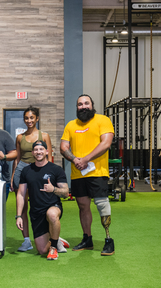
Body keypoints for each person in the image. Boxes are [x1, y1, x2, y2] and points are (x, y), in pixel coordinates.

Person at [60, 94, 115, 256]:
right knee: (83, 207)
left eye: (86, 103)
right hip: (78, 174)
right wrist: (75, 159)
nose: (83, 106)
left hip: (97, 172)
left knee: (101, 204)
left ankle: (108, 240)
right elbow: (64, 147)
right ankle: (87, 239)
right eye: (80, 104)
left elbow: (106, 143)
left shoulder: (102, 120)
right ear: (76, 107)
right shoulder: (71, 125)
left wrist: (86, 159)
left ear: (92, 105)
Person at [16, 141, 69, 261]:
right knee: (42, 251)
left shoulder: (56, 169)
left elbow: (66, 192)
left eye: (41, 149)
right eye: (36, 150)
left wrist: (53, 189)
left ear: (46, 152)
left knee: (52, 214)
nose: (38, 152)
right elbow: (20, 194)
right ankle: (56, 239)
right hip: (36, 212)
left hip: (53, 206)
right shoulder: (26, 171)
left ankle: (54, 247)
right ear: (32, 153)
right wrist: (18, 215)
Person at [11, 106, 53, 252]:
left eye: (32, 118)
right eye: (26, 118)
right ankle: (26, 240)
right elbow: (16, 159)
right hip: (22, 170)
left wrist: (50, 177)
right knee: (22, 206)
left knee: (41, 204)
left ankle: (50, 236)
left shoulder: (44, 136)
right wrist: (12, 177)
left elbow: (50, 157)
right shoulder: (19, 137)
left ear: (37, 119)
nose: (29, 120)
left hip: (39, 171)